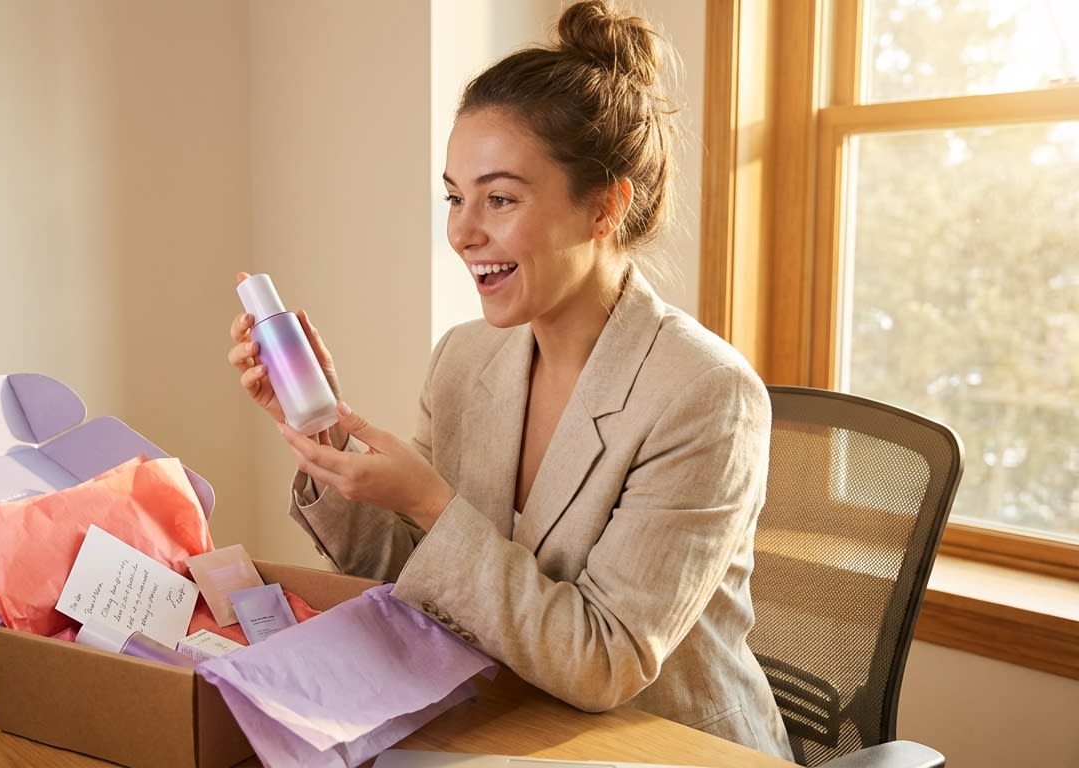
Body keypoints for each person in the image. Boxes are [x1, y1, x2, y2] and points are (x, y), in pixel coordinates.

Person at [226, 0, 792, 759]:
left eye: (500, 198)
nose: (463, 232)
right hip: (509, 724)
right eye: (455, 196)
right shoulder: (465, 359)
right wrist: (320, 426)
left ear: (603, 207)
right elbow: (413, 580)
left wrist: (430, 501)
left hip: (662, 746)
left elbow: (603, 660)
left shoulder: (704, 394)